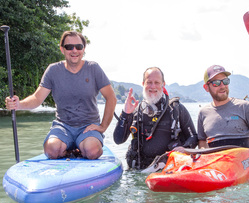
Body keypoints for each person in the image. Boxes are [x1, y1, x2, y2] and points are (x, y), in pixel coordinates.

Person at [5, 31, 117, 160]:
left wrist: (102, 127)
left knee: (92, 151)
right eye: (69, 47)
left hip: (88, 127)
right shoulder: (53, 70)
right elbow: (37, 98)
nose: (74, 50)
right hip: (63, 126)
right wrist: (18, 104)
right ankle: (69, 150)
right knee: (51, 151)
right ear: (62, 49)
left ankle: (82, 148)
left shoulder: (93, 68)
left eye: (78, 47)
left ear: (83, 49)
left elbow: (111, 98)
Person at [113, 66, 198, 169]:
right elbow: (118, 140)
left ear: (163, 84)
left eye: (157, 83)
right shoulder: (136, 111)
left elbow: (193, 136)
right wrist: (126, 113)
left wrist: (185, 148)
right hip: (141, 170)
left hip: (169, 168)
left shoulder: (175, 109)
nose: (153, 86)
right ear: (143, 84)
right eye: (149, 82)